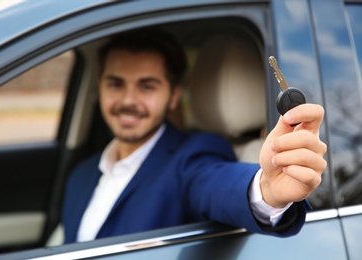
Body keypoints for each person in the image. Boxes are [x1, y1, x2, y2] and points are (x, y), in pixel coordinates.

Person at [62, 28, 327, 243]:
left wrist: (267, 189)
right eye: (115, 84)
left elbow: (214, 184)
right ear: (100, 88)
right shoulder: (81, 174)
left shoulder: (192, 157)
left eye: (147, 86)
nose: (128, 100)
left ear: (174, 95)